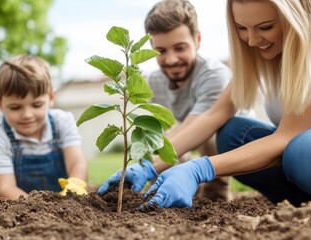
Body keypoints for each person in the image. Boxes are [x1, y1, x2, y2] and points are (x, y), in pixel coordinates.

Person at [137, 0, 311, 209]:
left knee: (307, 151)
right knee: (233, 134)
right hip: (308, 162)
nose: (252, 40)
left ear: (297, 16)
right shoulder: (267, 51)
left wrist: (198, 168)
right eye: (242, 28)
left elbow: (286, 135)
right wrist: (148, 168)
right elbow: (214, 114)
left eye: (265, 27)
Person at [98, 0, 242, 201]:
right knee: (162, 137)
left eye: (180, 48)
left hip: (234, 141)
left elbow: (198, 127)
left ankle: (216, 191)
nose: (172, 59)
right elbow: (169, 130)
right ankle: (179, 191)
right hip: (189, 134)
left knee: (212, 136)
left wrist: (149, 166)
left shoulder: (213, 75)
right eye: (161, 51)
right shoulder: (155, 81)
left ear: (197, 40)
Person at [0, 55, 88, 200]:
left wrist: (75, 189)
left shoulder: (63, 122)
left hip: (67, 201)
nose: (27, 115)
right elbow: (5, 187)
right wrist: (37, 207)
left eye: (37, 105)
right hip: (23, 205)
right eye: (15, 107)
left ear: (51, 98)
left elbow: (77, 163)